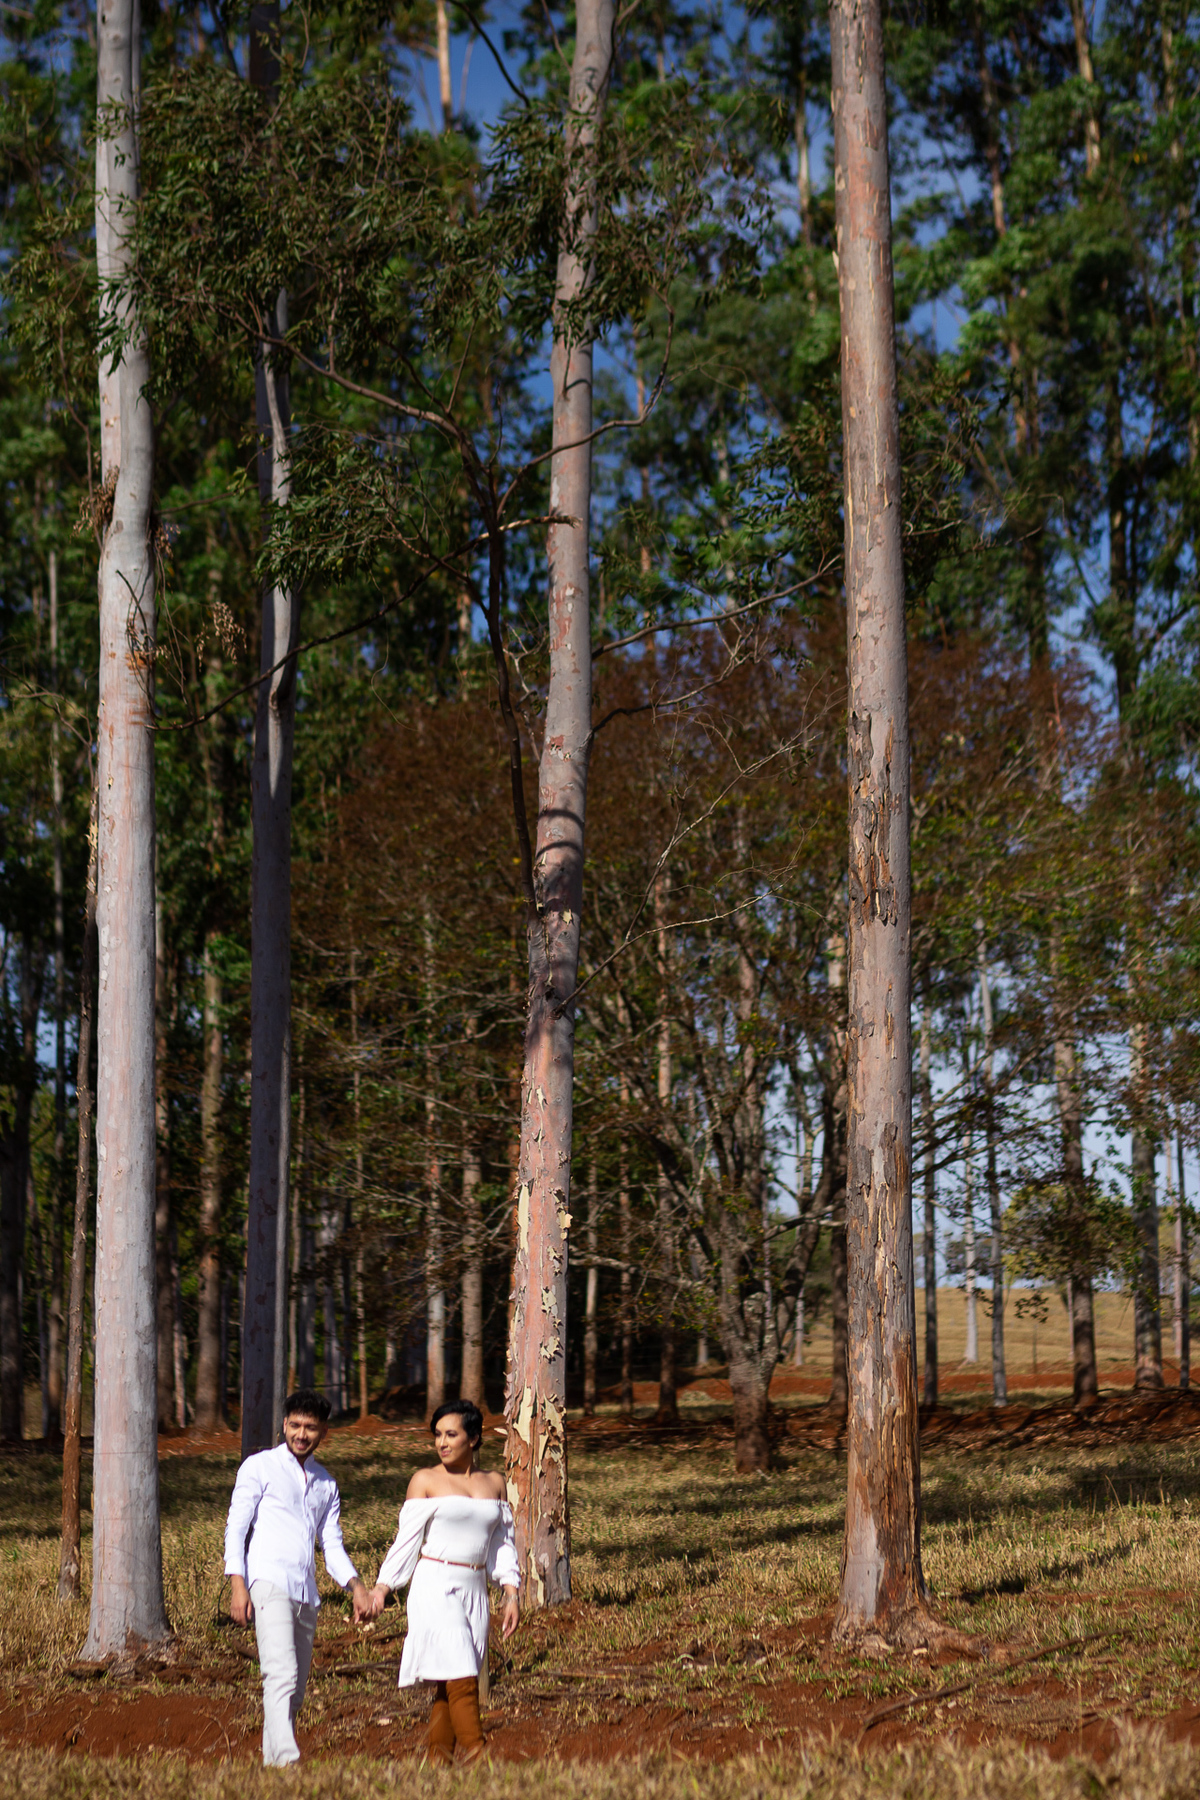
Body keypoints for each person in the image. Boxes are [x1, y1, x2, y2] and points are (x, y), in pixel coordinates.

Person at [362, 1398, 521, 1764]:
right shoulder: (426, 1480)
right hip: (435, 1584)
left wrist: (511, 1593)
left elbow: (502, 1544)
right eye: (437, 1435)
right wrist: (382, 1588)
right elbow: (406, 1542)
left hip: (474, 1587)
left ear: (474, 1438)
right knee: (462, 1673)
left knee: (453, 1680)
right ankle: (481, 1761)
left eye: (451, 1434)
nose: (442, 1442)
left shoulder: (495, 1483)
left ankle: (437, 1766)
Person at [224, 1388, 373, 1767]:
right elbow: (236, 1527)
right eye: (295, 1425)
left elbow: (331, 1544)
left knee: (295, 1691)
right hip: (267, 1581)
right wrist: (238, 1584)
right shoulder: (259, 1467)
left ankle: (273, 1768)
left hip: (306, 1593)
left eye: (310, 1427)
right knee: (281, 1672)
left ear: (324, 1431)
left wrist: (356, 1586)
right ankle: (289, 1762)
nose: (301, 1434)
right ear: (284, 1425)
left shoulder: (326, 1484)